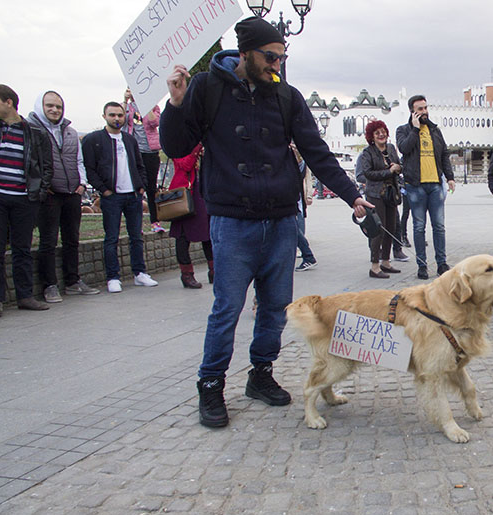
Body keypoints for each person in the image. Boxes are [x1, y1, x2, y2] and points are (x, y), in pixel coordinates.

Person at [160, 16, 372, 428]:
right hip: (232, 221)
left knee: (274, 308)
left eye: (282, 57)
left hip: (280, 220)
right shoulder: (206, 87)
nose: (277, 64)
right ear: (245, 53)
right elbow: (175, 145)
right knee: (227, 308)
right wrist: (176, 103)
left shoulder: (285, 96)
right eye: (271, 56)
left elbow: (316, 150)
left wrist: (352, 196)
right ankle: (210, 385)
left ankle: (260, 375)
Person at [0, 83, 53, 318]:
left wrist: (39, 193)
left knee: (22, 249)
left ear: (8, 102)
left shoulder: (35, 132)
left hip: (24, 198)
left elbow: (46, 167)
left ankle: (25, 296)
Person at [27, 91, 100, 302]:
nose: (54, 110)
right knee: (48, 241)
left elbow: (78, 161)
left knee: (72, 239)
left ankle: (73, 281)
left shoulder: (70, 132)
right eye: (49, 105)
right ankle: (49, 285)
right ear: (41, 106)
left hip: (72, 193)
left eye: (58, 106)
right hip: (49, 194)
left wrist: (82, 184)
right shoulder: (32, 130)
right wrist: (41, 185)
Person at [83, 101, 159, 293]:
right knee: (111, 238)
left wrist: (141, 186)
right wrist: (104, 190)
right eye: (112, 115)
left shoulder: (129, 139)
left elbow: (140, 165)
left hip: (133, 195)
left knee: (136, 237)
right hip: (112, 196)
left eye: (120, 115)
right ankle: (113, 277)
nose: (117, 118)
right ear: (104, 116)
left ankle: (139, 273)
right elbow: (90, 169)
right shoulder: (95, 140)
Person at [396, 95, 455, 279]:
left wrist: (450, 177)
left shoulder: (435, 130)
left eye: (425, 108)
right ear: (412, 111)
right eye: (420, 109)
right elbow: (404, 149)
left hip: (435, 185)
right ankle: (422, 265)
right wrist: (414, 130)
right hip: (415, 186)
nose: (424, 112)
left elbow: (444, 154)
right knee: (419, 226)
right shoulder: (403, 130)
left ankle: (442, 263)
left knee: (439, 226)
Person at [356, 120, 403, 278]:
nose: (381, 134)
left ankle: (386, 262)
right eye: (377, 133)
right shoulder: (367, 152)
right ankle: (374, 266)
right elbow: (368, 174)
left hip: (391, 193)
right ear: (372, 137)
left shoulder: (390, 148)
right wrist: (389, 171)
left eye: (383, 131)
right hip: (375, 195)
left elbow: (398, 165)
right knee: (378, 229)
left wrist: (397, 168)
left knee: (391, 227)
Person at [167, 143, 212, 288]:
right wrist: (196, 149)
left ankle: (214, 271)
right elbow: (185, 165)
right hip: (185, 196)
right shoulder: (177, 146)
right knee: (182, 236)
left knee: (208, 234)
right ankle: (186, 274)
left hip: (203, 193)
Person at [123, 88, 164, 233]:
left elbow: (154, 122)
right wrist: (125, 101)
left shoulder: (153, 106)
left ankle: (155, 221)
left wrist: (146, 103)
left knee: (151, 188)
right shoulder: (127, 108)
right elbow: (120, 121)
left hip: (150, 151)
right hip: (134, 151)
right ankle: (136, 224)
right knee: (136, 188)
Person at [292, 145, 317, 272]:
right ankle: (307, 256)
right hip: (289, 200)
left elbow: (303, 175)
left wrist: (308, 195)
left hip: (292, 201)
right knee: (293, 229)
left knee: (294, 229)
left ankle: (308, 256)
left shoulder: (296, 161)